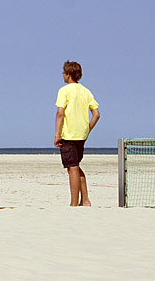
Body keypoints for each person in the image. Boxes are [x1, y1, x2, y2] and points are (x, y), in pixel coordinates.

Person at [54, 61, 100, 207]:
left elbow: (60, 113)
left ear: (68, 75)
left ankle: (74, 203)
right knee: (75, 166)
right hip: (81, 134)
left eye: (63, 72)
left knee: (72, 168)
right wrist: (87, 129)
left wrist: (57, 134)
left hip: (69, 134)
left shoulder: (64, 90)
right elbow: (96, 114)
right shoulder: (86, 91)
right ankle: (85, 199)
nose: (62, 75)